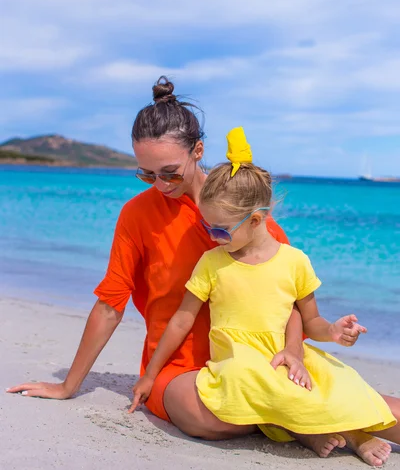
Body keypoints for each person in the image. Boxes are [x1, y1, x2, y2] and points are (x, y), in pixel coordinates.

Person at [6, 77, 400, 462]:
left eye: (169, 172)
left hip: (258, 361)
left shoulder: (244, 212)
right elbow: (111, 303)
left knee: (356, 398)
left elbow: (292, 302)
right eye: (146, 173)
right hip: (179, 370)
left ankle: (318, 417)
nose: (159, 184)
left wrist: (296, 352)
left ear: (198, 150)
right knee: (202, 417)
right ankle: (311, 421)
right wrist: (68, 386)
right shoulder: (136, 215)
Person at [130, 126, 398, 467]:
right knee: (256, 381)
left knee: (343, 385)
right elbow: (181, 319)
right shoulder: (212, 262)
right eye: (206, 227)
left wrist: (333, 332)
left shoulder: (293, 260)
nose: (212, 237)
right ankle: (326, 432)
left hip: (286, 355)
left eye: (219, 230)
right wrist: (151, 374)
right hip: (239, 364)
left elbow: (308, 319)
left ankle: (353, 433)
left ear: (256, 220)